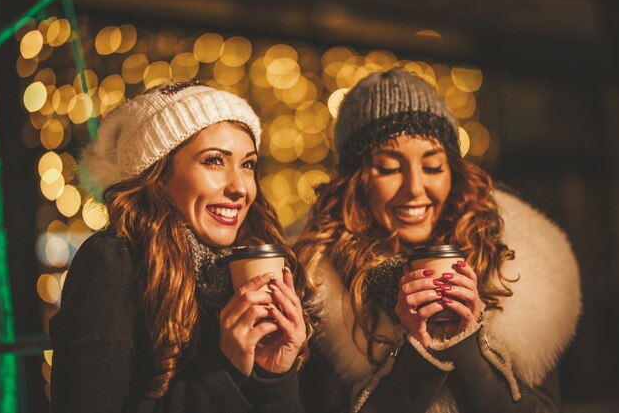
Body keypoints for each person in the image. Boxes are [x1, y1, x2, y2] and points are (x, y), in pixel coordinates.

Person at [295, 68, 581, 413]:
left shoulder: (513, 264)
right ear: (354, 182)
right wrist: (418, 354)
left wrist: (465, 341)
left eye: (432, 167)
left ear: (454, 172)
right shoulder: (316, 284)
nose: (415, 188)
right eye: (388, 168)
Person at [50, 80, 308, 413]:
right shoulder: (113, 261)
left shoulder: (250, 263)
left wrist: (273, 376)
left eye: (247, 164)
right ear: (157, 175)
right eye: (214, 161)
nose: (240, 187)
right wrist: (223, 370)